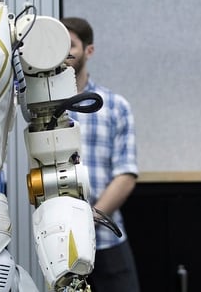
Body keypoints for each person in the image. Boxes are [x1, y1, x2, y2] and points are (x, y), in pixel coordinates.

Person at [61, 16, 141, 292]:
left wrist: (90, 219)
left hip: (106, 240)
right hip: (58, 245)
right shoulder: (43, 110)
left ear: (89, 50)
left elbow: (126, 174)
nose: (65, 52)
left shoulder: (115, 106)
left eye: (71, 45)